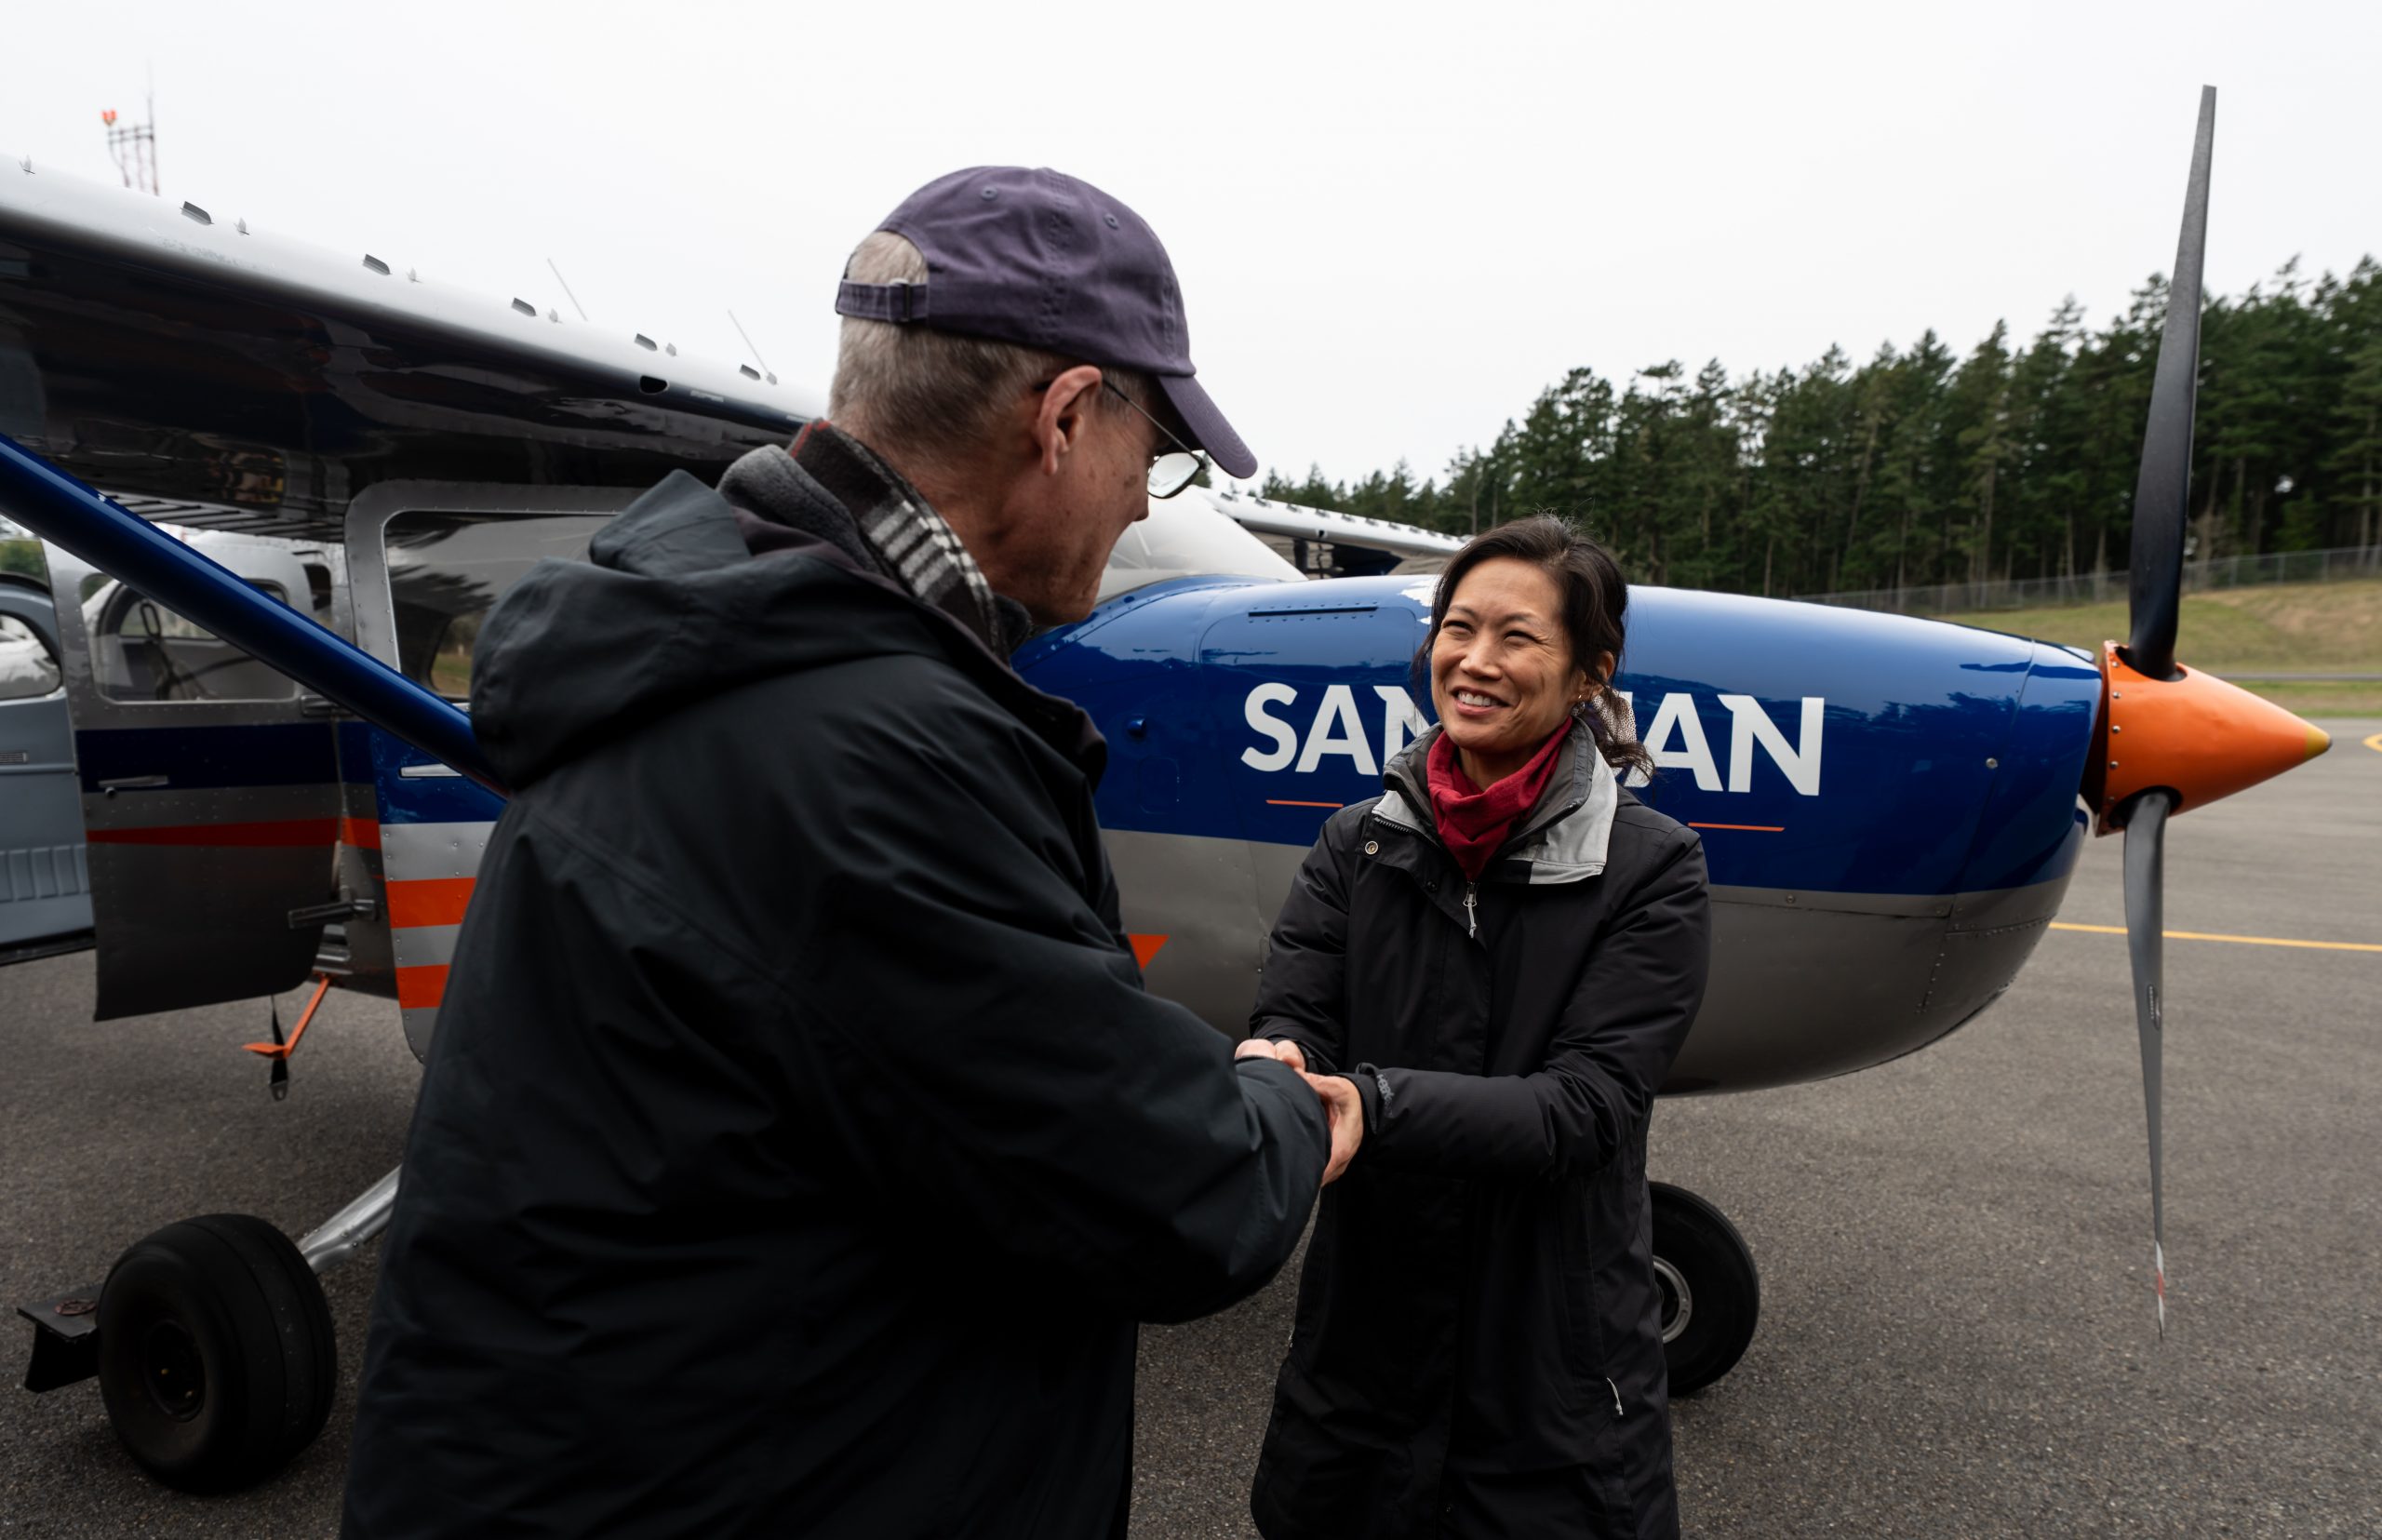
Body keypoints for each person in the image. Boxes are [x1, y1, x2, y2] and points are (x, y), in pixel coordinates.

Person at [341, 167, 1358, 1538]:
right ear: (1062, 419)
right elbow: (1174, 1192)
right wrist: (1287, 1098)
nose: (1140, 505)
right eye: (1155, 454)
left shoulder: (718, 642)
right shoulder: (867, 753)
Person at [1236, 516, 1712, 1540]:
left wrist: (1374, 1102)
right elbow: (1292, 1013)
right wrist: (1274, 1066)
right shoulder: (1353, 842)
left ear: (1590, 671)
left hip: (1554, 1381)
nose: (1476, 660)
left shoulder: (1653, 867)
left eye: (1517, 636)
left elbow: (1585, 1109)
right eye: (1458, 627)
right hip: (1360, 1358)